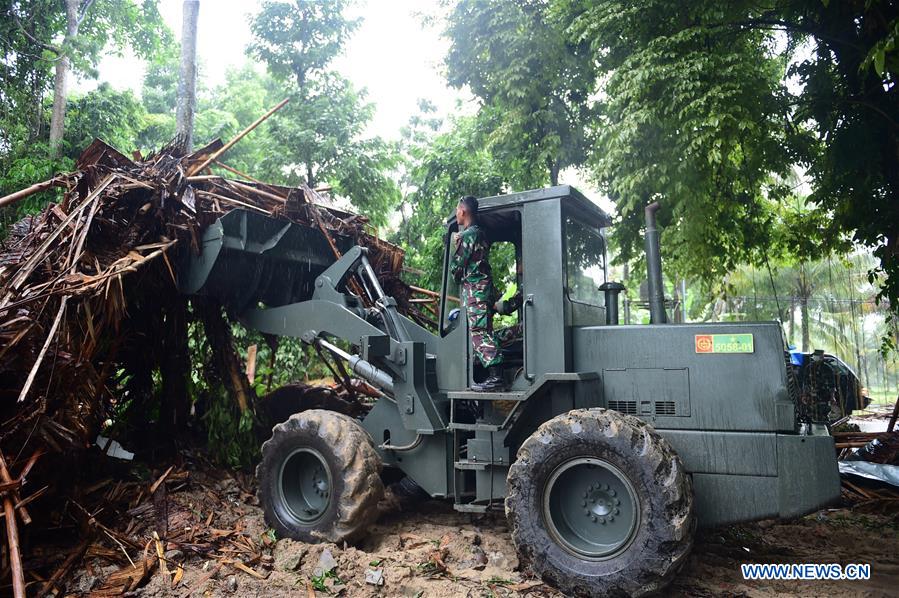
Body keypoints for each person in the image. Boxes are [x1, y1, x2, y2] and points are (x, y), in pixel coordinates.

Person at [450, 196, 504, 392]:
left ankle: (496, 378)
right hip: (484, 292)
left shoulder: (466, 236)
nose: (456, 213)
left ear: (463, 211)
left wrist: (456, 245)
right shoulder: (481, 233)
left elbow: (456, 271)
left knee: (479, 335)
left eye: (457, 210)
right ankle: (491, 375)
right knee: (485, 332)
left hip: (475, 294)